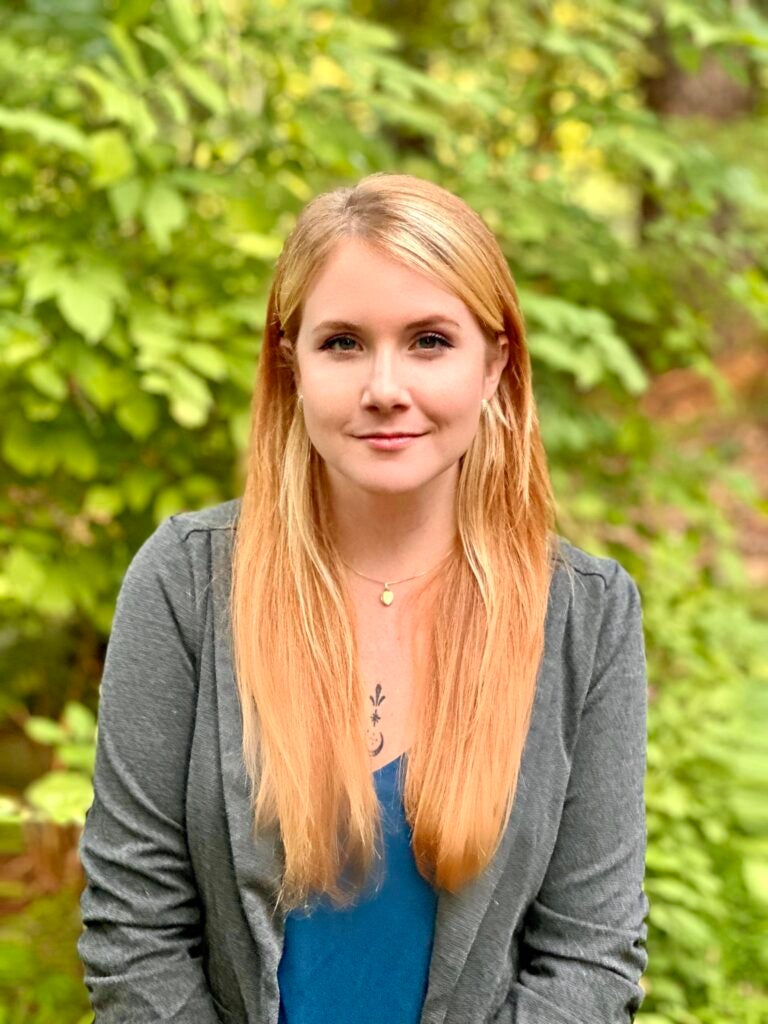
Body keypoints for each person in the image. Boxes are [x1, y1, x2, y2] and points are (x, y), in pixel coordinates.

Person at [77, 172, 650, 1024]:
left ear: (496, 363)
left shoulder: (587, 615)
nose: (386, 386)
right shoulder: (187, 582)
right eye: (343, 342)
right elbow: (134, 933)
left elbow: (590, 961)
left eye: (428, 341)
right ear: (291, 362)